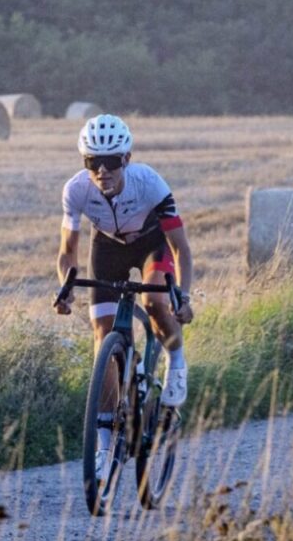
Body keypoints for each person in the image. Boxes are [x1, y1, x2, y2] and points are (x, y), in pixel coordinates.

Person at [53, 114, 194, 479]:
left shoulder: (150, 184)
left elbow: (180, 248)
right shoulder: (75, 190)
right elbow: (68, 251)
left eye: (111, 162)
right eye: (92, 163)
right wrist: (66, 287)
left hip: (151, 245)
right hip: (108, 249)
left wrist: (185, 296)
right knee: (103, 339)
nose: (102, 171)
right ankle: (104, 444)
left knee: (154, 303)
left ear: (126, 159)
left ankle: (176, 361)